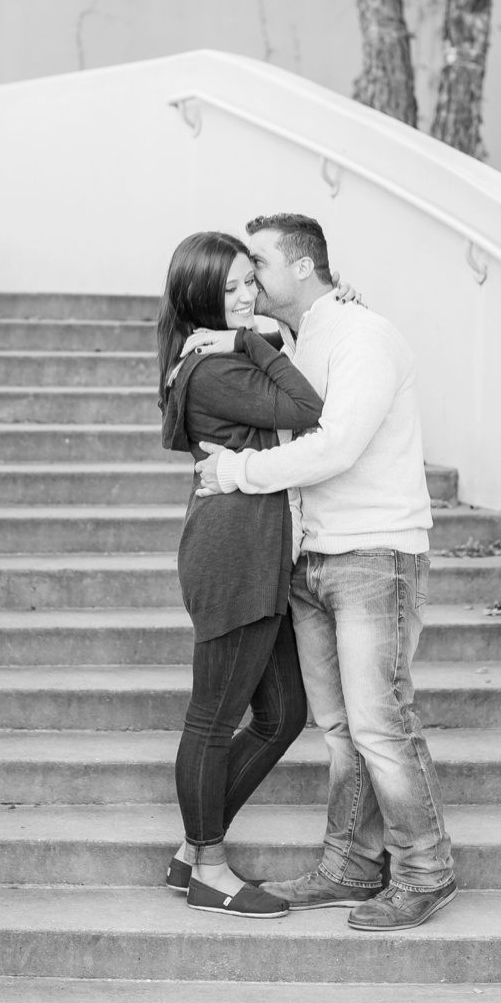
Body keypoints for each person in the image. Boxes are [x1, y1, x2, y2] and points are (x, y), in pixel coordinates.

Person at [193, 213, 455, 933]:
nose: (250, 277)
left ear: (303, 267)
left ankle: (427, 870)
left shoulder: (364, 336)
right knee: (342, 730)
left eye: (260, 263)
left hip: (374, 556)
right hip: (312, 559)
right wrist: (234, 339)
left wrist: (237, 470)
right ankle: (350, 864)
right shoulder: (305, 338)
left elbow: (336, 445)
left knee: (380, 724)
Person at [155, 231, 323, 919]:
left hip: (251, 550)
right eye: (226, 291)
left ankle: (194, 850)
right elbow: (308, 408)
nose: (245, 298)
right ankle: (209, 868)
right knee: (214, 716)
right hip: (234, 555)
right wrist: (247, 340)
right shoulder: (216, 369)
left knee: (282, 713)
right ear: (197, 299)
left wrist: (247, 335)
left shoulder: (209, 359)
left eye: (248, 281)